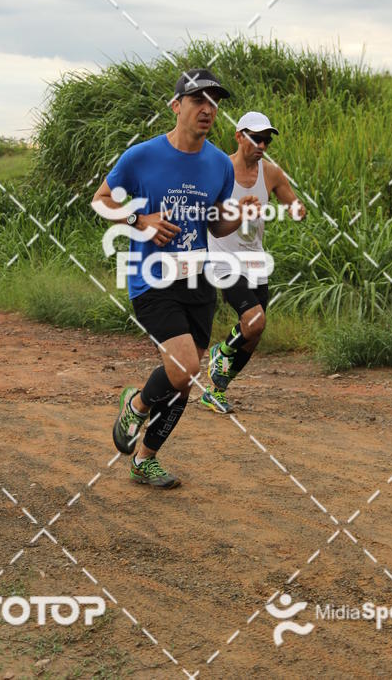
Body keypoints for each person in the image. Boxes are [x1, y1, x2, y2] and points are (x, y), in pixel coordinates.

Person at [92, 70, 259, 489]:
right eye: (198, 100)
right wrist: (138, 219)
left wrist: (239, 216)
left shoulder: (220, 163)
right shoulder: (142, 156)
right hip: (151, 277)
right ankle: (136, 404)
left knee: (185, 378)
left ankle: (145, 459)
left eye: (214, 102)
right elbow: (101, 200)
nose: (207, 109)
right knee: (184, 365)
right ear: (177, 106)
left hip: (196, 279)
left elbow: (216, 227)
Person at [202, 112, 306, 413]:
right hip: (222, 258)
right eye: (255, 138)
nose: (262, 144)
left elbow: (295, 205)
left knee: (255, 332)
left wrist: (296, 210)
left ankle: (216, 391)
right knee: (254, 319)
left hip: (255, 262)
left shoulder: (271, 173)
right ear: (239, 137)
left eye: (266, 140)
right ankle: (220, 352)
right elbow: (205, 214)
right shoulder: (218, 169)